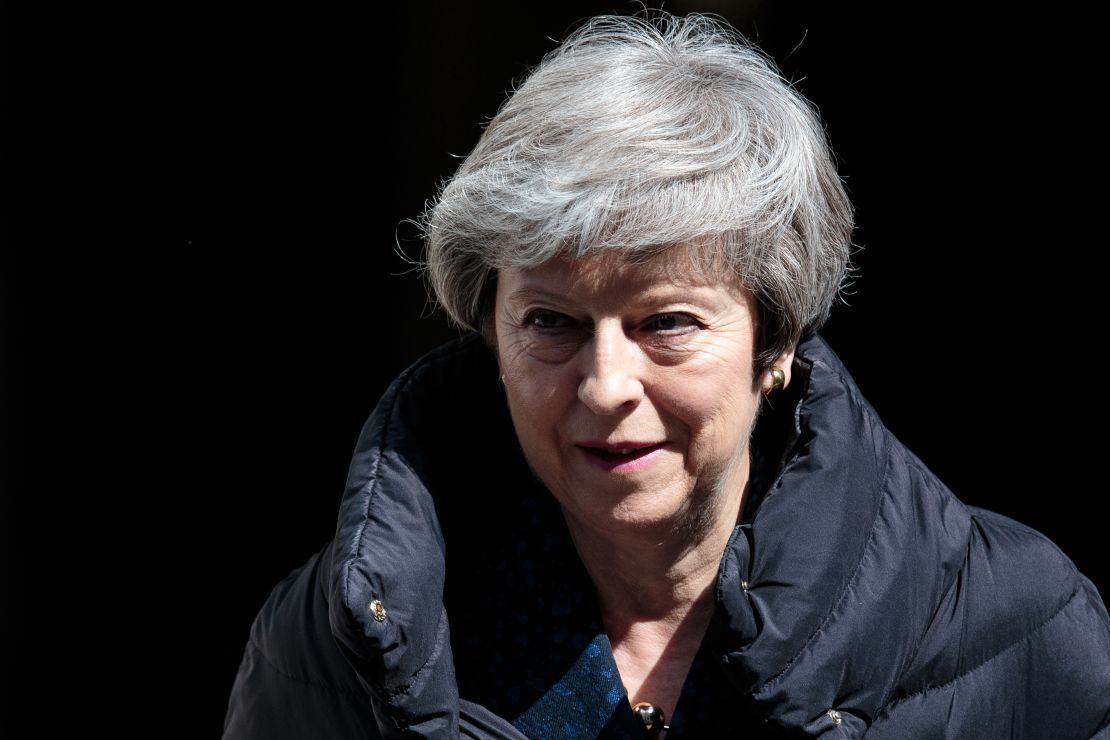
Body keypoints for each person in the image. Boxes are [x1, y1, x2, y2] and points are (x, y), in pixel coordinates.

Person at [223, 13, 1110, 738]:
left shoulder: (1014, 622)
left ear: (777, 341)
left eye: (667, 323)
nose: (607, 385)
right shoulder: (333, 638)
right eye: (550, 323)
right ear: (488, 334)